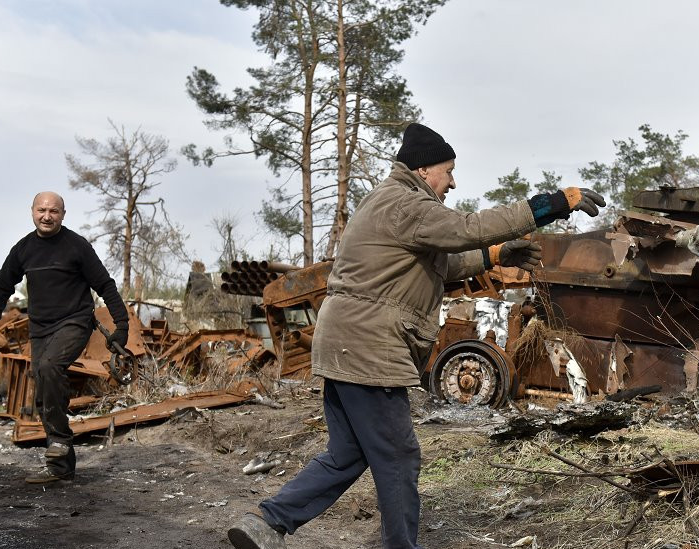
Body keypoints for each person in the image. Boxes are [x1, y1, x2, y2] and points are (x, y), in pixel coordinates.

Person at [227, 123, 604, 549]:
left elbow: (443, 261)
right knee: (399, 455)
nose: (453, 181)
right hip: (369, 345)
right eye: (449, 170)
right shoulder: (406, 203)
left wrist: (496, 255)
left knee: (347, 453)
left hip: (347, 341)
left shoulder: (393, 204)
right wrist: (550, 205)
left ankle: (267, 521)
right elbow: (467, 227)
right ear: (425, 170)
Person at [0, 191, 130, 484]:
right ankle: (62, 470)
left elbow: (105, 285)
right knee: (42, 383)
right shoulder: (23, 249)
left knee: (49, 367)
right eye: (42, 210)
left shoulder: (77, 247)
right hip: (41, 328)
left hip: (75, 321)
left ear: (63, 214)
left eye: (54, 211)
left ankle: (59, 440)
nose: (47, 216)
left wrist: (121, 325)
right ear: (32, 212)